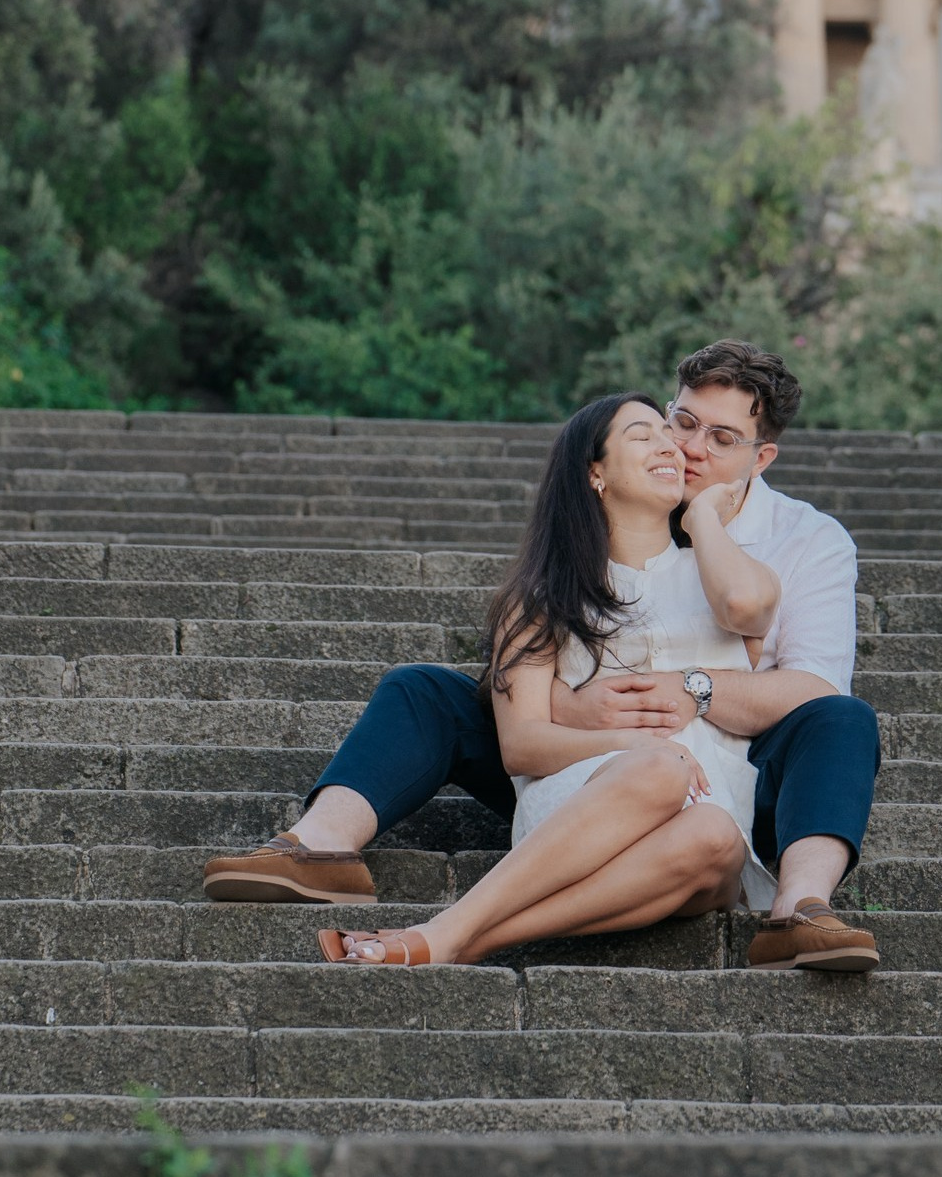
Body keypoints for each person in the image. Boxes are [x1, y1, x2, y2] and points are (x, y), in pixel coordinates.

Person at [202, 340, 881, 971]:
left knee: (833, 726)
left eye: (722, 438)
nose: (689, 449)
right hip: (594, 766)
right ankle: (318, 843)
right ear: (600, 469)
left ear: (760, 459)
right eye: (679, 422)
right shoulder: (580, 552)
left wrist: (693, 683)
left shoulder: (798, 542)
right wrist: (576, 709)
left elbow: (808, 680)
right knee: (425, 691)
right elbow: (524, 726)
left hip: (735, 769)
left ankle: (797, 909)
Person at [318, 393, 776, 963]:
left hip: (709, 831)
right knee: (660, 768)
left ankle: (458, 933)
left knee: (713, 835)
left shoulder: (726, 579)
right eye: (641, 435)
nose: (670, 444)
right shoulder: (541, 598)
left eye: (667, 431)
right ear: (595, 472)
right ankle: (451, 935)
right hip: (583, 810)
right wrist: (636, 745)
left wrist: (703, 515)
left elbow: (750, 607)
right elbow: (522, 743)